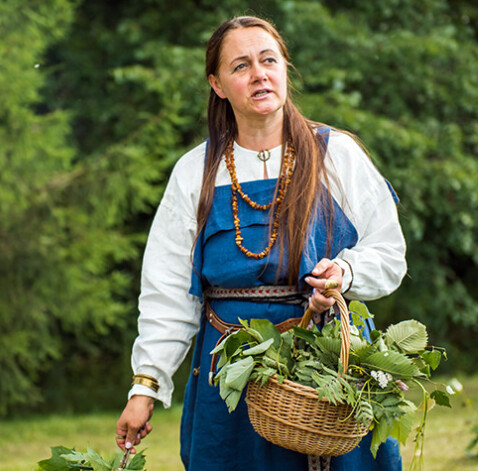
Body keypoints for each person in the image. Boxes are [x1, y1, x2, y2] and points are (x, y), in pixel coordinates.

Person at [116, 15, 407, 471]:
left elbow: (389, 254)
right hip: (228, 377)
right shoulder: (196, 173)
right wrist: (145, 387)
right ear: (217, 84)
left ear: (285, 68)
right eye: (241, 66)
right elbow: (168, 290)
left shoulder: (336, 155)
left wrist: (345, 273)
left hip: (328, 367)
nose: (259, 74)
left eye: (269, 60)